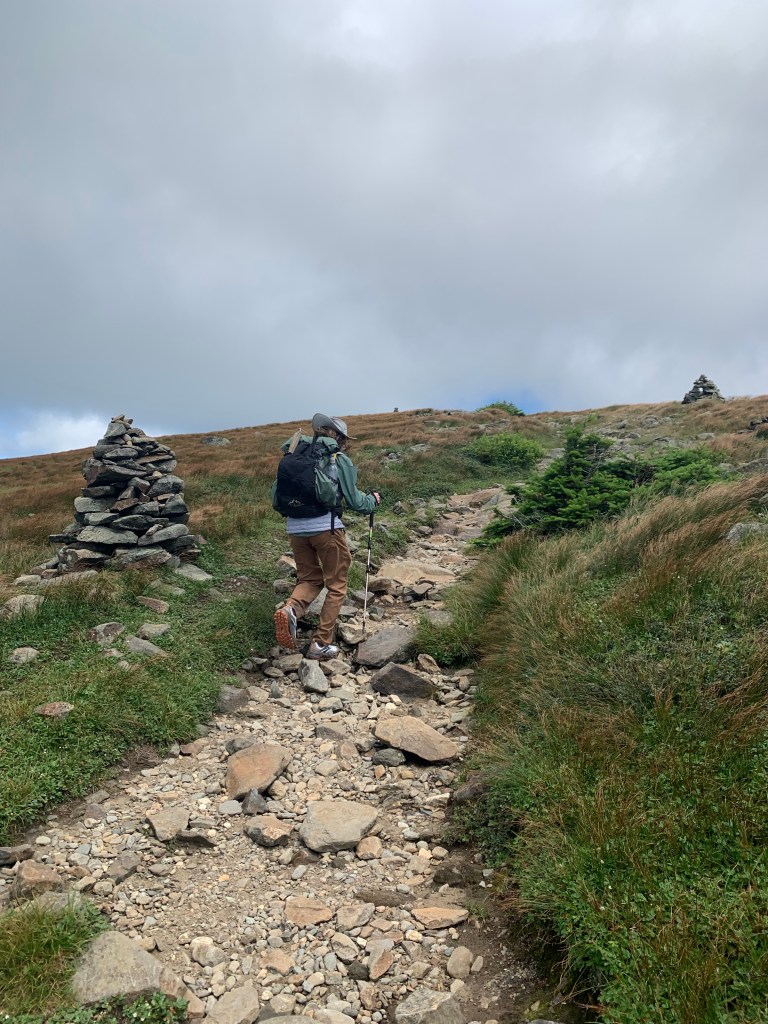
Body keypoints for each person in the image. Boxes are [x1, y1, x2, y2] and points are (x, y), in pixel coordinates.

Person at [273, 413, 380, 660]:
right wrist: (372, 501)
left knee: (310, 579)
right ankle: (320, 643)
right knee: (337, 584)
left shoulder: (294, 454)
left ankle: (291, 610)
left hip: (295, 529)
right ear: (339, 438)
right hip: (326, 528)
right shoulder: (337, 459)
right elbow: (356, 501)